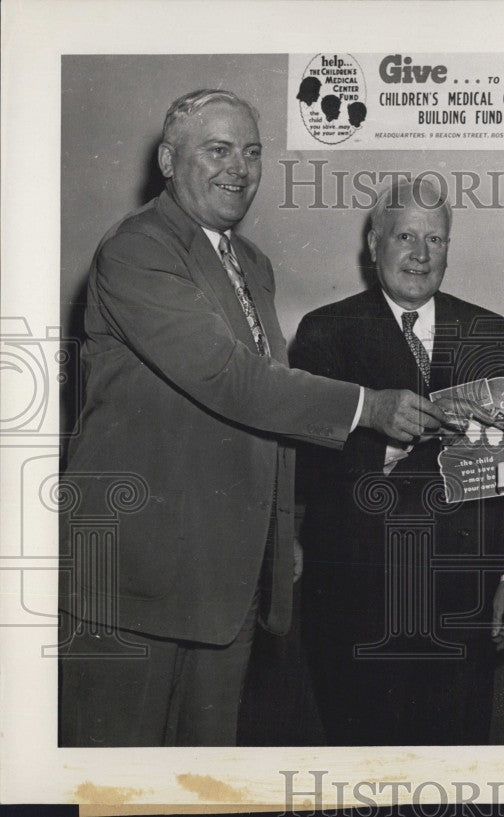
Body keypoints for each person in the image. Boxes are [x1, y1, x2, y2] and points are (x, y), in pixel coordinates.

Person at [58, 89, 446, 747]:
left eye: (252, 152)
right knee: (115, 782)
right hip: (138, 584)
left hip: (228, 588)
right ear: (167, 160)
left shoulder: (251, 265)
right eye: (217, 150)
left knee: (202, 782)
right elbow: (234, 380)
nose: (238, 168)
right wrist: (367, 405)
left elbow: (268, 422)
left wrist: (280, 536)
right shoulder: (137, 250)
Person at [292, 179, 504, 746]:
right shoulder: (325, 330)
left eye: (435, 240)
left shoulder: (488, 331)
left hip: (461, 597)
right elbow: (302, 460)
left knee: (455, 762)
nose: (420, 255)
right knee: (363, 763)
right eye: (405, 236)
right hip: (355, 596)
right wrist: (386, 442)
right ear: (373, 245)